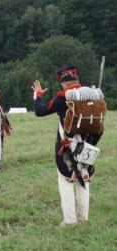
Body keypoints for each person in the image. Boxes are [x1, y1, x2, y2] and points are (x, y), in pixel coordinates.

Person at [32, 65, 102, 227]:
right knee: (83, 179)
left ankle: (70, 221)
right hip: (87, 146)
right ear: (77, 80)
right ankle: (83, 217)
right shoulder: (93, 97)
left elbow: (40, 111)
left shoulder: (62, 99)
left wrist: (38, 95)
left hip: (67, 148)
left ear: (64, 83)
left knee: (66, 182)